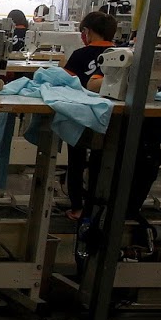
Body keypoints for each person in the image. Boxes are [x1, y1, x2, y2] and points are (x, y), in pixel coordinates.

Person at [60, 11, 118, 219]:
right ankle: (96, 208)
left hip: (81, 115)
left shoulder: (80, 55)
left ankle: (77, 207)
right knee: (101, 162)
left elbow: (65, 82)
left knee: (76, 161)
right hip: (109, 116)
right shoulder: (122, 55)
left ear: (87, 31)